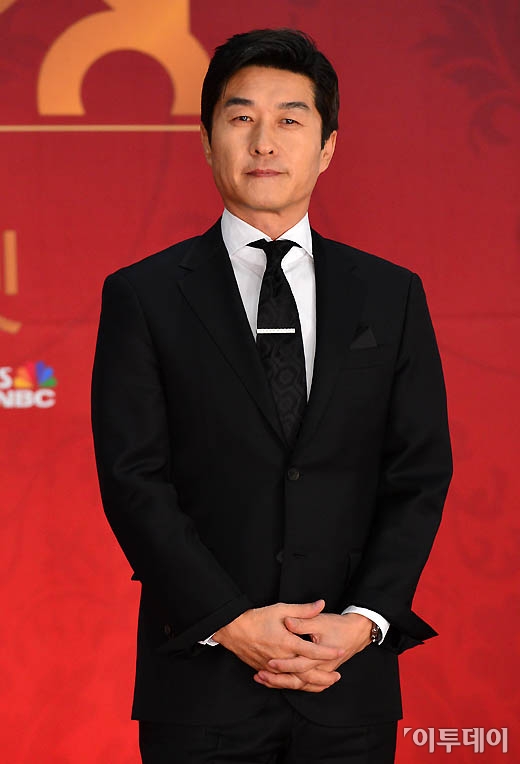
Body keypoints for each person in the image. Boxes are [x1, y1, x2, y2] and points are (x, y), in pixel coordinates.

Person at [91, 28, 452, 764]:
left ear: (327, 147)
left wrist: (365, 620)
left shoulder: (391, 295)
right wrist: (227, 620)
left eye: (290, 119)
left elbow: (418, 473)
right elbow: (134, 480)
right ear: (207, 141)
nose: (264, 141)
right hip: (200, 682)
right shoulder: (143, 295)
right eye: (241, 117)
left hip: (345, 679)